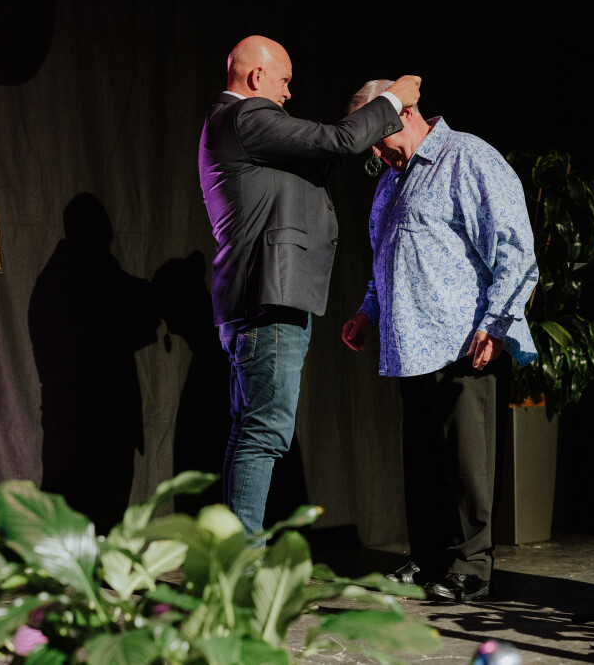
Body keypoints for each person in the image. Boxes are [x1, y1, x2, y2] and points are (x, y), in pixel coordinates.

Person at [198, 35, 421, 535]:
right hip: (268, 300)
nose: (288, 93)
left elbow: (324, 154)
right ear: (256, 77)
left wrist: (364, 131)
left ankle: (235, 556)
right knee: (263, 435)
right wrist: (392, 99)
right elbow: (332, 142)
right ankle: (242, 563)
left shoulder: (241, 128)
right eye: (284, 81)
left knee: (252, 432)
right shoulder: (244, 116)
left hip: (259, 300)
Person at [342, 80, 539, 601]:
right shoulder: (390, 181)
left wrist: (497, 322)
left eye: (377, 138)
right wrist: (367, 312)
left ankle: (471, 566)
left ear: (404, 113)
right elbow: (385, 256)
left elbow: (514, 246)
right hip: (409, 343)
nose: (375, 153)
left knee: (467, 463)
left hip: (464, 340)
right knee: (424, 462)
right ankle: (428, 559)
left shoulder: (467, 156)